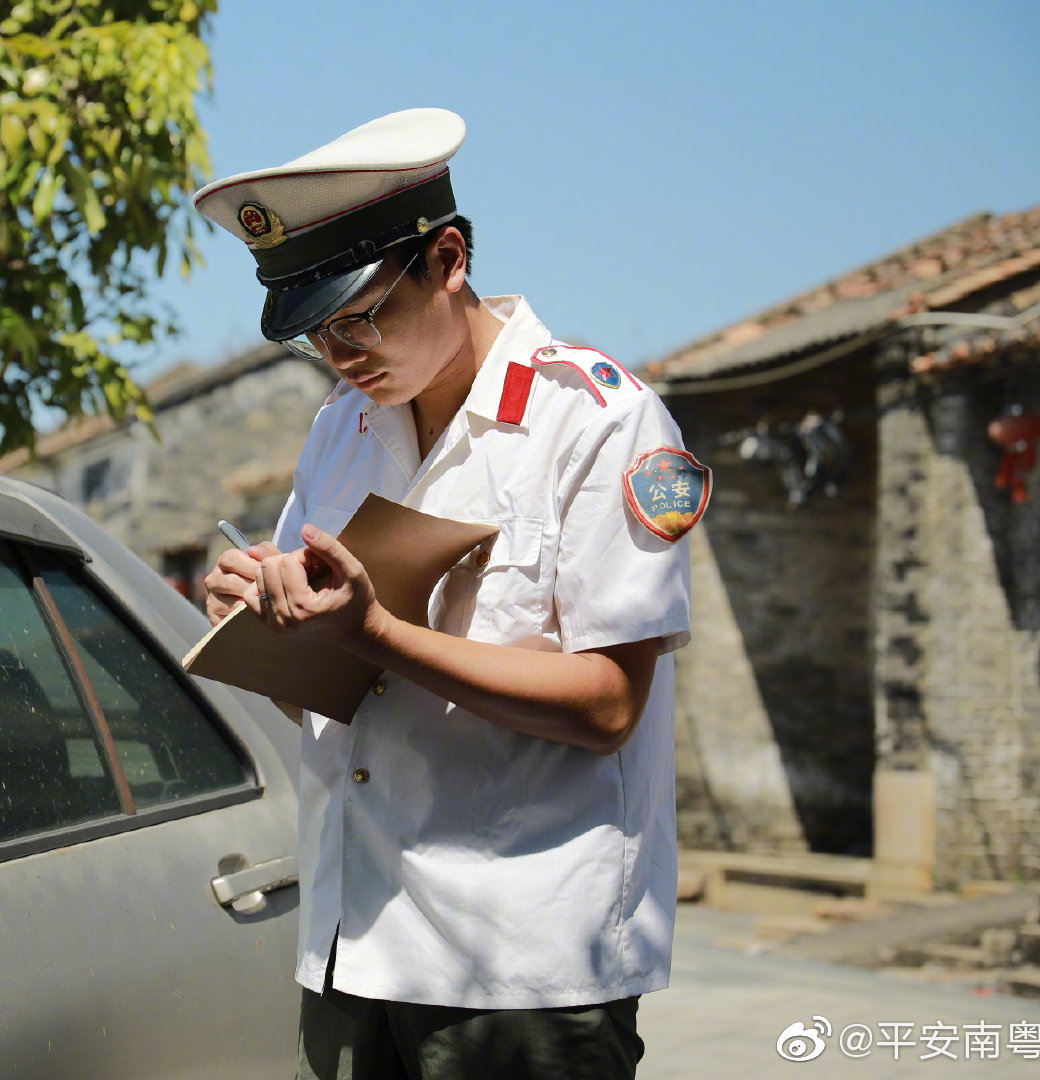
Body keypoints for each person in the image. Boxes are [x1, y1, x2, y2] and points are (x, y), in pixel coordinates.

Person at [196, 108, 710, 1079]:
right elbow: (331, 697)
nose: (343, 353)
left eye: (362, 314)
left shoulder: (599, 419)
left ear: (449, 257)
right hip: (356, 936)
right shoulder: (340, 432)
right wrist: (267, 626)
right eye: (316, 332)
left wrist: (377, 630)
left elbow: (607, 703)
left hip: (518, 965)